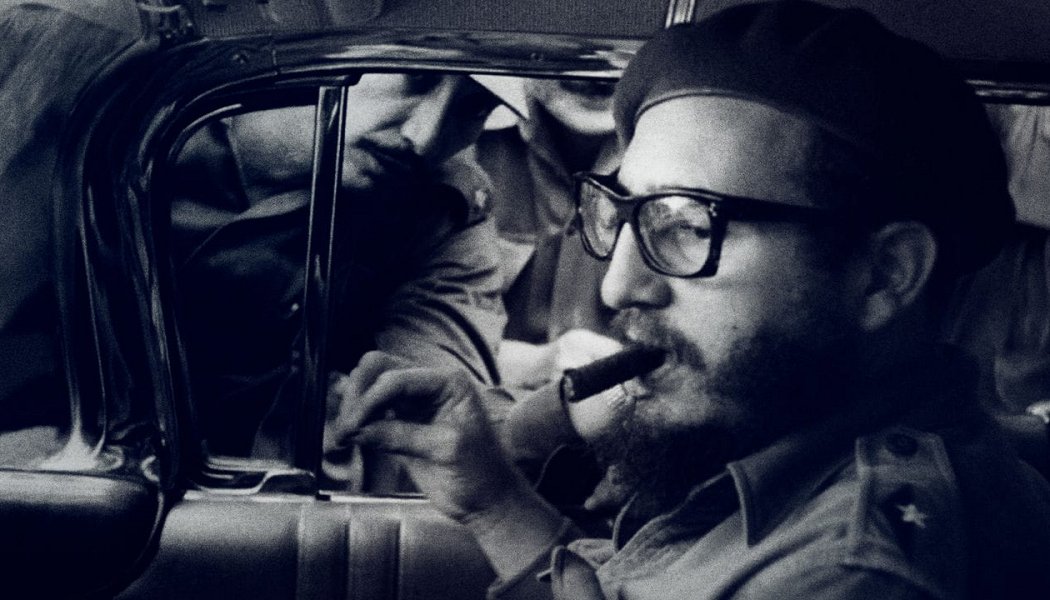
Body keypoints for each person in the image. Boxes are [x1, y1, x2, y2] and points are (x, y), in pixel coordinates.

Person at [325, 2, 1050, 598]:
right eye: (622, 214)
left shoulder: (853, 573)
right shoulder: (780, 454)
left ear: (885, 274)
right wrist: (494, 502)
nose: (619, 287)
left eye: (689, 225)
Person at [172, 73, 510, 462]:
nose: (425, 138)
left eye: (474, 107)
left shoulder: (445, 208)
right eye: (415, 77)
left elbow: (439, 422)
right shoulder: (145, 126)